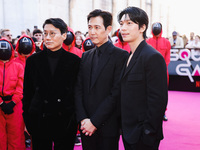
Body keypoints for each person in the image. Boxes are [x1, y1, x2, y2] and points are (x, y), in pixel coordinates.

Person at [22, 18, 81, 150]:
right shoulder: (33, 61)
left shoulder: (74, 61)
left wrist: (74, 119)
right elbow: (28, 92)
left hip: (66, 121)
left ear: (64, 35)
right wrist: (28, 118)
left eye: (52, 33)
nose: (47, 37)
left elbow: (77, 92)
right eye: (45, 33)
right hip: (39, 120)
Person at [75, 9, 128, 150]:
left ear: (108, 29)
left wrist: (95, 122)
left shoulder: (121, 56)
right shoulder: (86, 56)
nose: (92, 32)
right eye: (90, 27)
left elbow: (116, 93)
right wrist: (83, 119)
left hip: (107, 127)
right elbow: (78, 89)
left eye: (97, 28)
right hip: (85, 127)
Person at [118, 7, 168, 150]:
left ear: (142, 27)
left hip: (144, 136)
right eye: (121, 24)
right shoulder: (128, 55)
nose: (123, 28)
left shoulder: (152, 57)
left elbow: (158, 100)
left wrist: (148, 133)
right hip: (129, 133)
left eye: (129, 23)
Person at [0, 38, 25, 150]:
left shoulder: (18, 66)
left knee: (16, 136)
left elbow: (20, 87)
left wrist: (13, 102)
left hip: (15, 105)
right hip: (0, 105)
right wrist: (1, 103)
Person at [146, 22, 171, 121]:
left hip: (163, 72)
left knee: (162, 93)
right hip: (149, 71)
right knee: (148, 92)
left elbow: (167, 58)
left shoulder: (166, 42)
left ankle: (162, 112)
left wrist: (162, 69)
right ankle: (149, 112)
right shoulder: (147, 41)